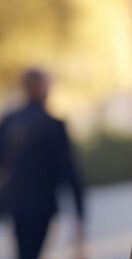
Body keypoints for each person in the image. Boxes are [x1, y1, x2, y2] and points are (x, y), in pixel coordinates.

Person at [0, 68, 85, 259]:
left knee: (24, 252)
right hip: (41, 205)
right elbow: (69, 171)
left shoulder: (10, 120)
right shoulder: (52, 125)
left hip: (15, 204)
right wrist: (80, 216)